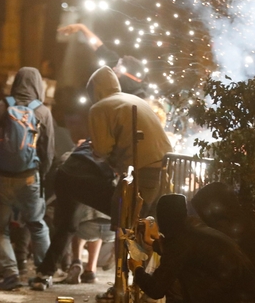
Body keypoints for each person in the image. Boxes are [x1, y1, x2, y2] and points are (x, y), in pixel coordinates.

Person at [37, 57, 171, 277]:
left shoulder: (101, 107)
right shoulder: (135, 100)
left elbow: (101, 149)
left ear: (94, 91)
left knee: (124, 222)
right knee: (150, 227)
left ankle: (126, 285)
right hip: (166, 169)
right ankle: (148, 284)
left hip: (142, 171)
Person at [0, 68, 54, 290]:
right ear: (38, 86)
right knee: (36, 224)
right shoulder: (43, 112)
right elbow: (48, 152)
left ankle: (11, 276)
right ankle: (44, 275)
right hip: (28, 178)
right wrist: (40, 176)